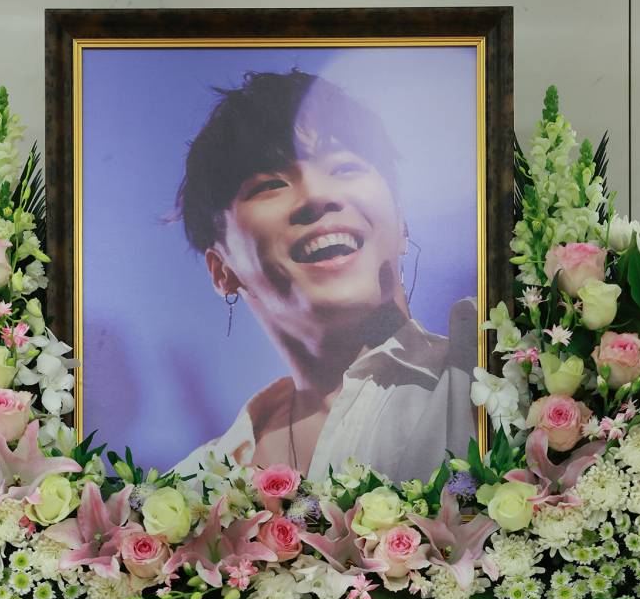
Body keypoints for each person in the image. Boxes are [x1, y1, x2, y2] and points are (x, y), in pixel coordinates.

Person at [173, 69, 477, 484]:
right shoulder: (191, 488)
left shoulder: (493, 375)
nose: (318, 196)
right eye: (270, 183)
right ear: (222, 270)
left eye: (346, 168)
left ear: (401, 222)